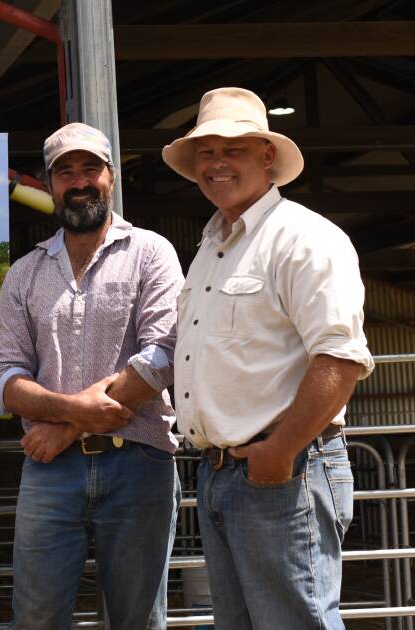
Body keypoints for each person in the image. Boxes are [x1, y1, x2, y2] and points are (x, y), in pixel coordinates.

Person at [164, 87, 373, 629]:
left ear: (266, 157)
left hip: (283, 469)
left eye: (232, 149)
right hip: (224, 471)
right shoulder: (212, 248)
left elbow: (341, 358)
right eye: (206, 151)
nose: (216, 163)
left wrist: (279, 452)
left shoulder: (304, 238)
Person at [0, 122, 184, 629]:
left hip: (140, 462)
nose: (79, 182)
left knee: (137, 619)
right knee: (36, 617)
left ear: (111, 177)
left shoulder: (151, 253)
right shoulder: (24, 273)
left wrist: (70, 425)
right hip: (51, 472)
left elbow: (162, 354)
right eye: (65, 172)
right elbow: (4, 381)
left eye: (90, 169)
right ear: (49, 185)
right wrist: (78, 410)